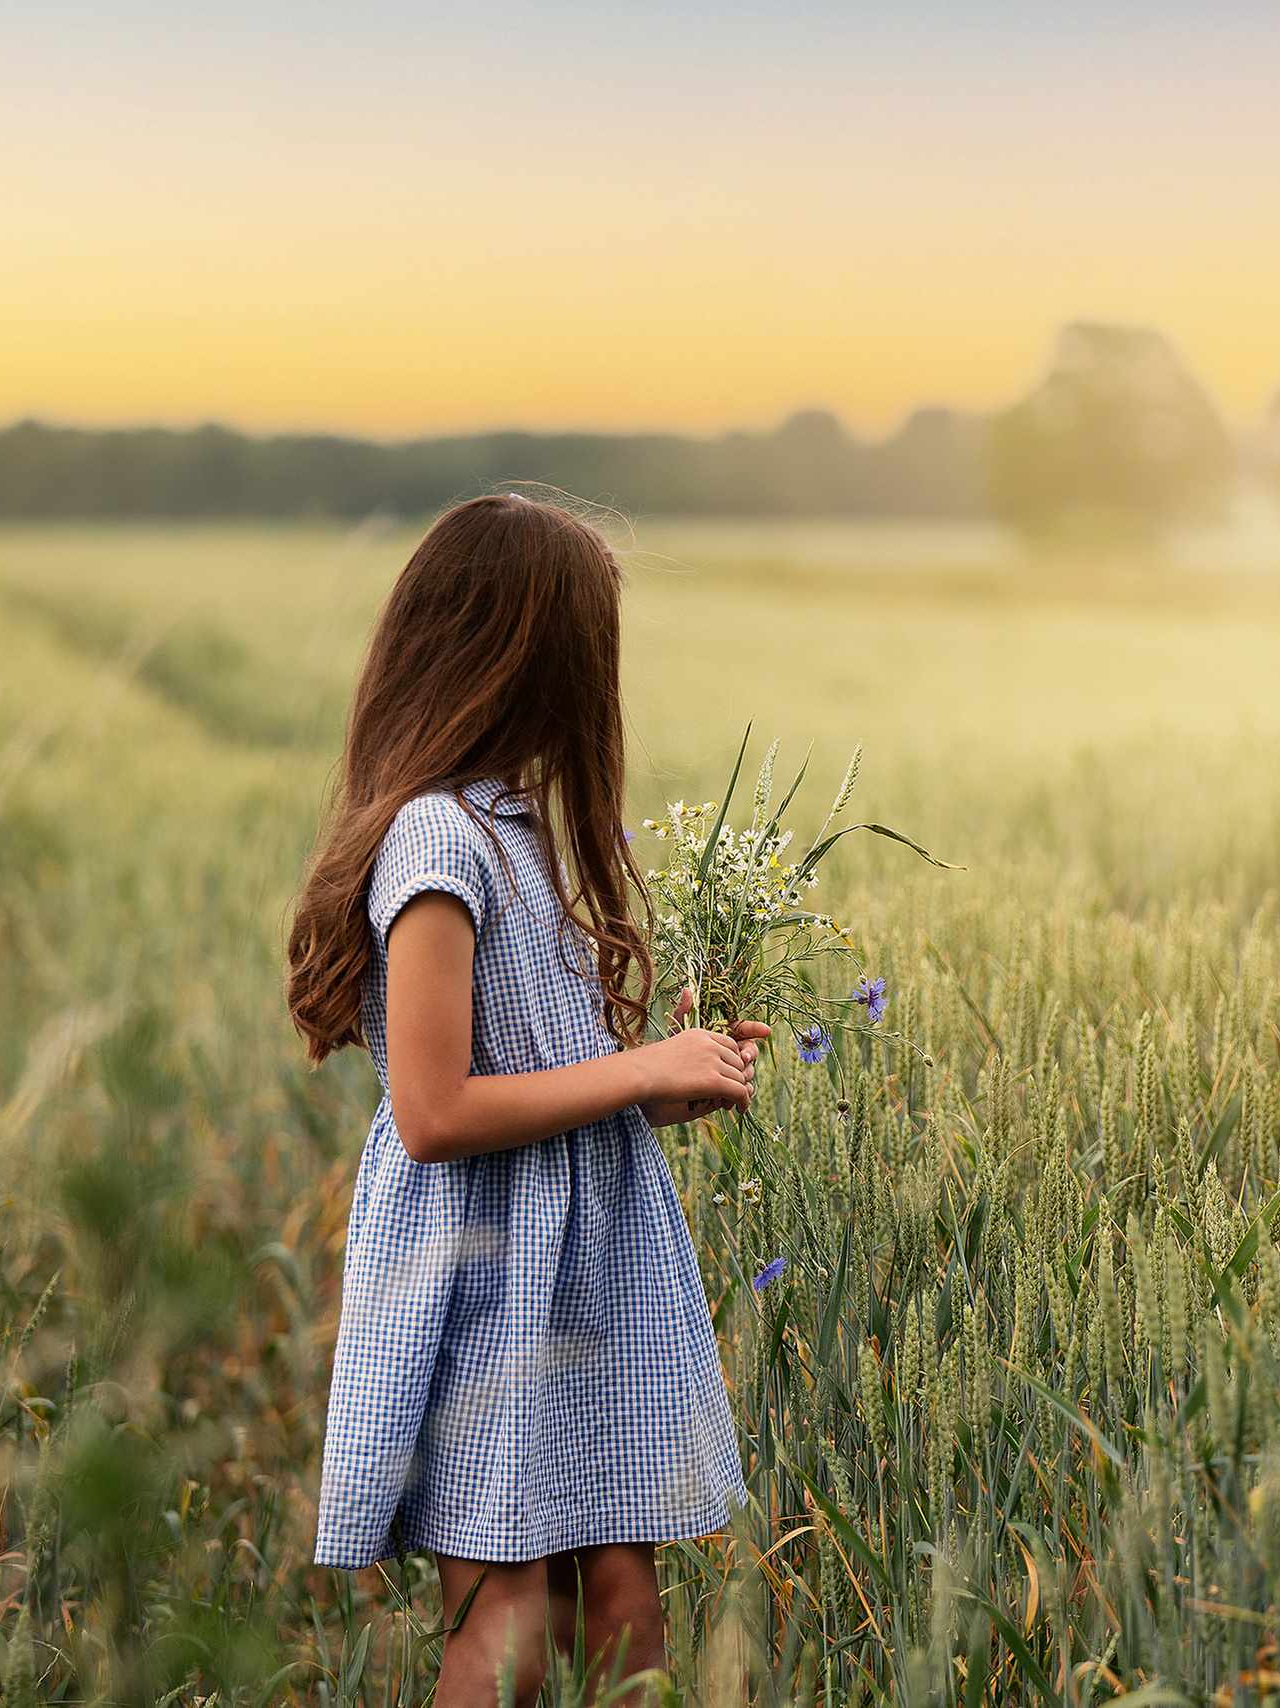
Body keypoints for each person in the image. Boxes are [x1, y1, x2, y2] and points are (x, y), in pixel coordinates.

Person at [286, 493, 764, 1705]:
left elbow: (543, 1073)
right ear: (532, 662)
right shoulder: (436, 844)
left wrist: (668, 1084)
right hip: (489, 1276)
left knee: (620, 1604)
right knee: (514, 1620)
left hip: (585, 1276)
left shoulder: (515, 833)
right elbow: (437, 1111)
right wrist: (640, 1065)